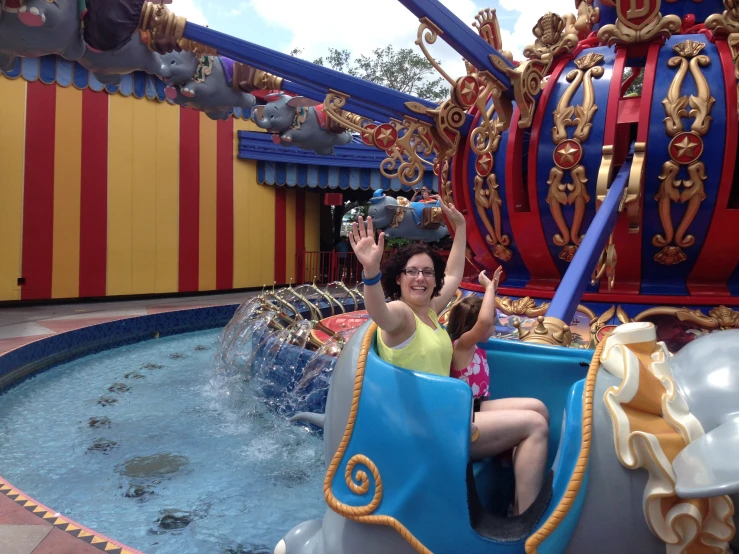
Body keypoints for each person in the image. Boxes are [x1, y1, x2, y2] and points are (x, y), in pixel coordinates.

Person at [446, 268, 549, 516]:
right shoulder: (461, 346)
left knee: (538, 407)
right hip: (463, 419)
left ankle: (518, 493)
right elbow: (482, 323)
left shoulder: (477, 348)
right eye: (492, 321)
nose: (495, 326)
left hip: (477, 406)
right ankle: (524, 515)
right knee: (535, 423)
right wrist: (489, 288)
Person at [348, 200, 466, 376]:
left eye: (427, 272)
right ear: (398, 278)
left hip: (445, 399)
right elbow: (380, 313)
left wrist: (461, 226)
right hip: (415, 403)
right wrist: (371, 271)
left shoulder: (430, 309)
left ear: (435, 280)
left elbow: (453, 275)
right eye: (411, 271)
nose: (420, 278)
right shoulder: (402, 313)